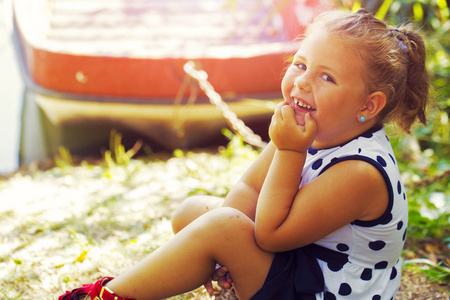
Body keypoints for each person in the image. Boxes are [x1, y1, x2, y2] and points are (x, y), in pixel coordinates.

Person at [59, 8, 430, 300]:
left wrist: (288, 150)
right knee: (195, 213)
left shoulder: (360, 173)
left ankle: (109, 296)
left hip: (323, 289)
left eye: (326, 77)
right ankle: (229, 283)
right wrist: (225, 252)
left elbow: (271, 235)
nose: (301, 81)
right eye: (301, 64)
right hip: (300, 264)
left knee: (221, 227)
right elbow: (249, 192)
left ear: (368, 104)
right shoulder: (313, 132)